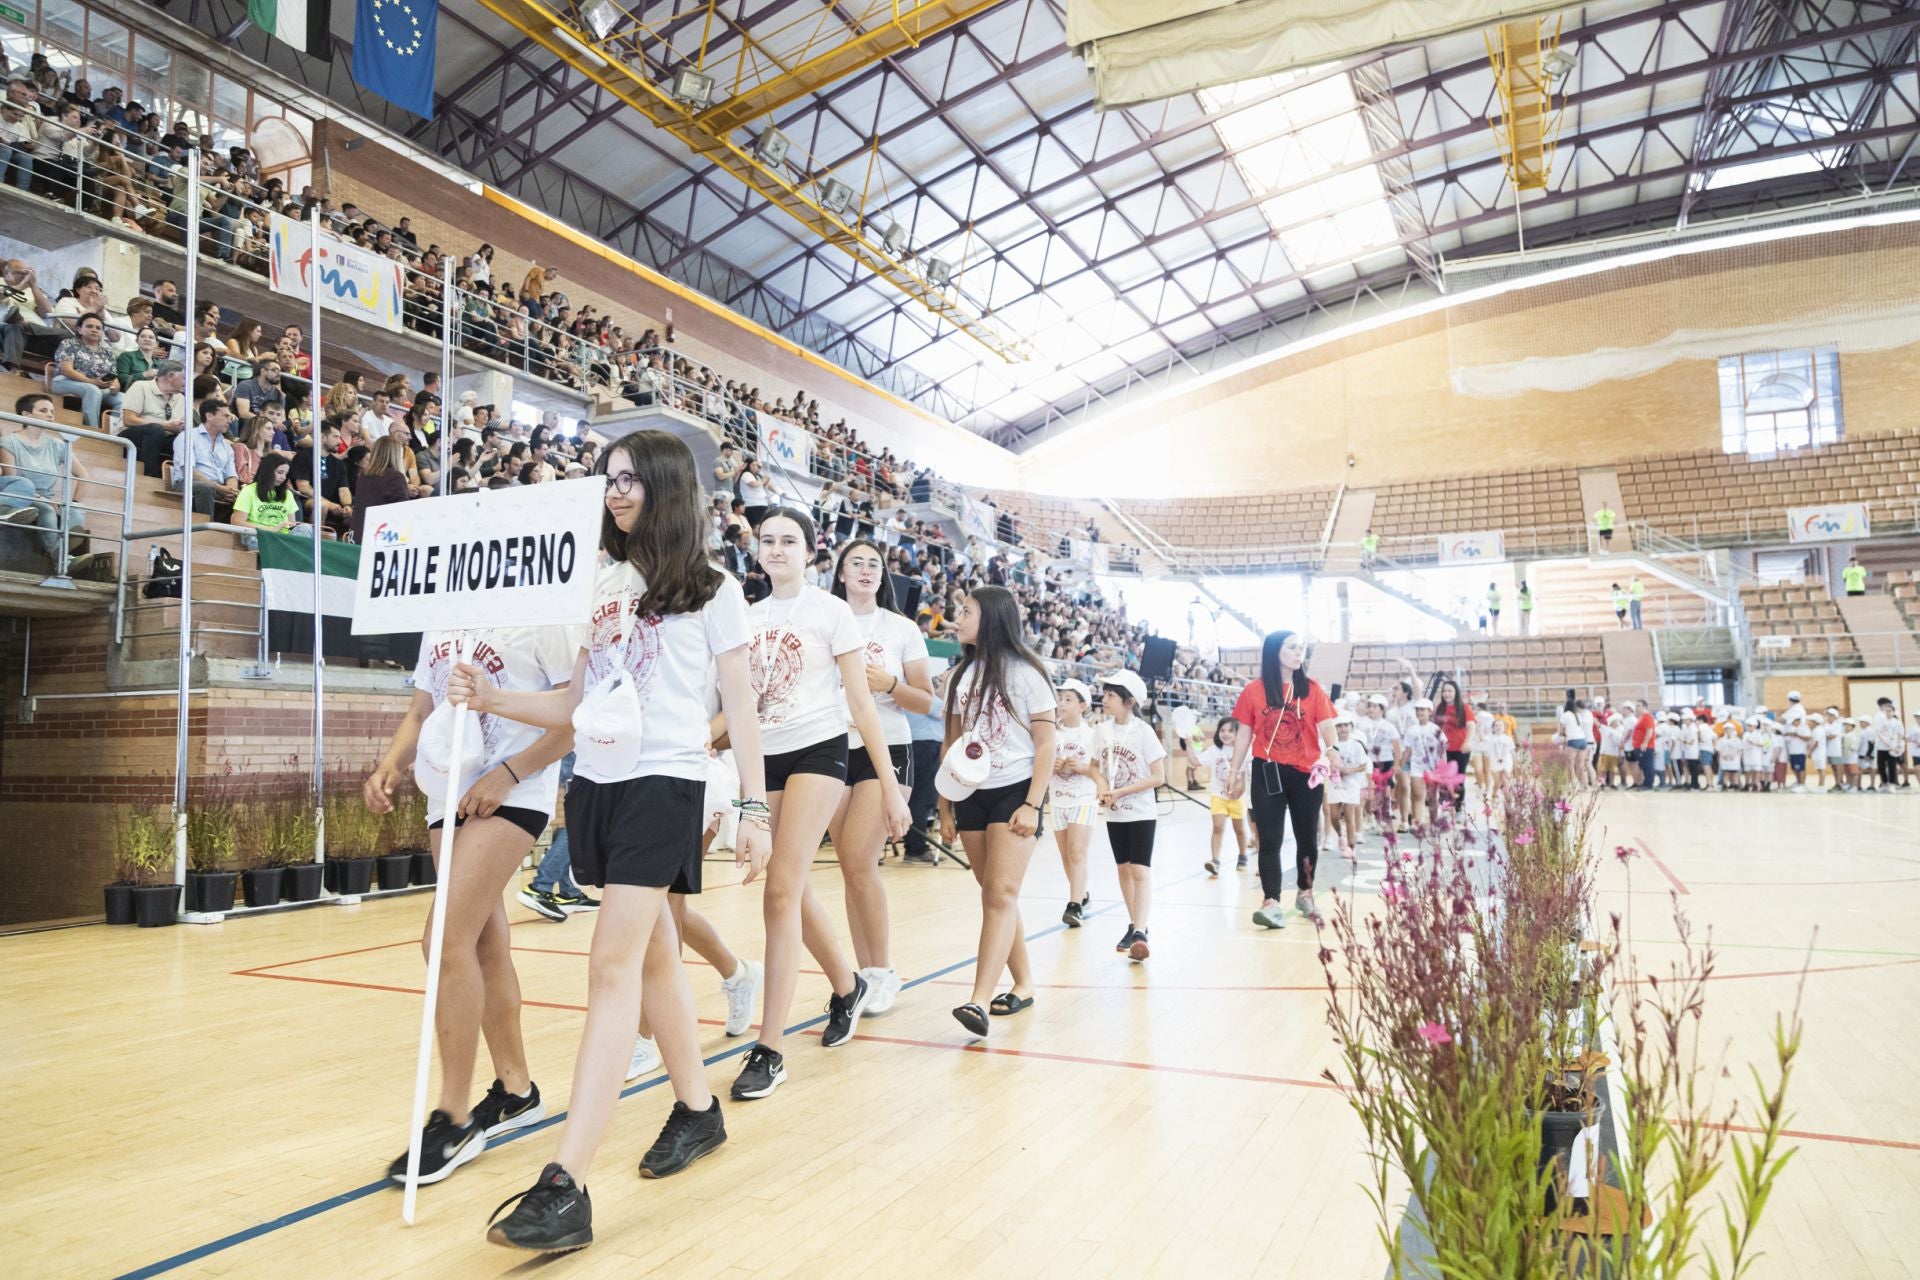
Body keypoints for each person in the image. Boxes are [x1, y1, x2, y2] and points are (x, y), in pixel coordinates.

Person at [470, 430, 772, 1254]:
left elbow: (741, 707)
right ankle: (701, 1110)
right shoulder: (602, 582)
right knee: (654, 959)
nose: (616, 490)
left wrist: (754, 808)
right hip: (596, 784)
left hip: (667, 783)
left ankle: (567, 1183)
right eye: (609, 479)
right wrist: (492, 694)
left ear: (669, 487)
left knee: (611, 966)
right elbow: (576, 700)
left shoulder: (714, 589)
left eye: (632, 479)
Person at [365, 623, 576, 1186]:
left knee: (443, 938)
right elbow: (420, 710)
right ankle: (517, 1090)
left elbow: (573, 717)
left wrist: (508, 775)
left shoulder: (547, 613)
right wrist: (392, 761)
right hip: (446, 791)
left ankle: (453, 1117)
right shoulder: (443, 612)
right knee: (483, 942)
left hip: (513, 790)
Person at [732, 507, 908, 1101]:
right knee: (791, 889)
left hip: (820, 751)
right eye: (767, 540)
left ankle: (771, 1047)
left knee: (780, 888)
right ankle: (846, 984)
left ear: (811, 552)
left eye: (788, 540)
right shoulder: (745, 615)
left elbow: (861, 705)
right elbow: (740, 705)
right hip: (764, 756)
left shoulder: (830, 612)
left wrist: (888, 785)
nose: (776, 548)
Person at [937, 584, 1056, 1038]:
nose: (958, 617)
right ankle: (1023, 982)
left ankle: (978, 999)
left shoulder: (1026, 674)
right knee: (995, 893)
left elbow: (1046, 744)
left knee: (1000, 894)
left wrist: (1032, 803)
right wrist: (945, 805)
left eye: (966, 611)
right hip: (970, 792)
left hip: (1015, 790)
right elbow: (952, 744)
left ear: (991, 617)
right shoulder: (959, 677)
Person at [826, 537, 934, 1015]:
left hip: (887, 746)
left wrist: (888, 684)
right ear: (841, 573)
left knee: (858, 859)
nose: (866, 570)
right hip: (829, 746)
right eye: (857, 563)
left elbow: (926, 700)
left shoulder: (900, 628)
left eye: (874, 564)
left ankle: (882, 970)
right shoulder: (824, 618)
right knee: (851, 869)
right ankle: (865, 971)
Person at [1224, 630, 1335, 928]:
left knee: (1306, 836)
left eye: (1300, 648)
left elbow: (1327, 727)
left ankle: (1305, 892)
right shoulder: (1254, 691)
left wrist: (1332, 749)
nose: (1299, 653)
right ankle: (1271, 900)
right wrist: (1234, 772)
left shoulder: (1312, 688)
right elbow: (1244, 734)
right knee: (1269, 838)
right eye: (1292, 648)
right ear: (1275, 652)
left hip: (1306, 773)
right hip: (1267, 770)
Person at [1095, 669, 1166, 962]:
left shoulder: (1143, 731)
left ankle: (1140, 930)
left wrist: (1121, 792)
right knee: (1123, 868)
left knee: (1140, 870)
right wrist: (1101, 785)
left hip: (1141, 811)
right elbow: (1092, 766)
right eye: (1105, 694)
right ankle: (1135, 923)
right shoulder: (1102, 730)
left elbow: (1158, 776)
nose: (1105, 699)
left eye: (1111, 695)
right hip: (1114, 813)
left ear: (1129, 701)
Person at [0, 392, 91, 562]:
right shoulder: (9, 442)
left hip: (46, 498)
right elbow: (14, 481)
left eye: (52, 412)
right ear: (26, 414)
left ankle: (61, 554)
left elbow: (83, 475)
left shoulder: (57, 444)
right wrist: (45, 500)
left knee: (75, 511)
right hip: (24, 497)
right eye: (43, 410)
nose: (50, 415)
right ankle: (62, 558)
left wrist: (74, 503)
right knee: (47, 509)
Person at [1048, 679, 1099, 914]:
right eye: (1060, 698)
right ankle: (1082, 893)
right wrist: (1052, 765)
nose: (1062, 703)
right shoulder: (1050, 733)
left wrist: (1081, 767)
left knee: (1077, 851)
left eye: (1068, 699)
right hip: (1058, 800)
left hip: (1083, 798)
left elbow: (1100, 771)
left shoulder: (1092, 735)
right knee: (1066, 855)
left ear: (1083, 705)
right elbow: (1038, 764)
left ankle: (1074, 905)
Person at [50, 312, 121, 427]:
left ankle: (113, 432)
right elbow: (66, 370)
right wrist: (92, 382)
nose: (94, 330)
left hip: (98, 387)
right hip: (64, 381)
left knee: (123, 399)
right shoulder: (69, 343)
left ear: (102, 332)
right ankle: (93, 431)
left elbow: (115, 379)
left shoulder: (108, 353)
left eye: (98, 328)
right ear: (79, 329)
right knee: (92, 390)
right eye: (89, 326)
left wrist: (114, 388)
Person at [170, 397, 238, 515]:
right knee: (205, 488)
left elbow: (231, 475)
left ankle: (229, 532)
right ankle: (205, 531)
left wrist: (231, 490)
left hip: (217, 488)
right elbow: (189, 471)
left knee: (245, 496)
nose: (230, 420)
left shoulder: (226, 446)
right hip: (188, 484)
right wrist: (218, 488)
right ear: (209, 416)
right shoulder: (188, 436)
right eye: (225, 416)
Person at [1200, 715, 1249, 875]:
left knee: (1239, 829)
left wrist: (1240, 789)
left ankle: (1243, 856)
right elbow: (1195, 761)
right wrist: (1186, 741)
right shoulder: (1214, 751)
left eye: (1230, 730)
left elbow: (1245, 774)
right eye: (1222, 730)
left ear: (1237, 733)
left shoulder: (1242, 750)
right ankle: (1215, 861)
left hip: (1237, 797)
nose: (1226, 733)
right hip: (1218, 795)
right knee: (1218, 827)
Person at [230, 452, 311, 548]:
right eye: (280, 472)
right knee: (253, 538)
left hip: (283, 538)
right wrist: (272, 529)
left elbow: (291, 525)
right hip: (259, 536)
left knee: (306, 528)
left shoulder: (288, 494)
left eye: (286, 474)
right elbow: (238, 521)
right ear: (267, 471)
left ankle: (285, 552)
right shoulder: (248, 491)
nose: (284, 477)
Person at [350, 437, 414, 543]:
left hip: (358, 534)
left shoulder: (364, 474)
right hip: (381, 538)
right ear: (396, 455)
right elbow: (402, 512)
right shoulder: (395, 477)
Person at [1324, 713, 1368, 854]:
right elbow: (1325, 763)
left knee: (1349, 815)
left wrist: (1349, 770)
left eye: (1346, 725)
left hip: (1351, 783)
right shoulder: (1332, 747)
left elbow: (1363, 765)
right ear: (1335, 728)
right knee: (1334, 816)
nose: (1343, 729)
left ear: (1351, 727)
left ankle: (1350, 847)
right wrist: (1333, 769)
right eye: (1339, 726)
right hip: (1335, 783)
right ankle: (1340, 835)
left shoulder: (1356, 745)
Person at [1430, 678, 1473, 810]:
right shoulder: (1439, 708)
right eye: (1444, 691)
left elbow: (1471, 725)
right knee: (1443, 779)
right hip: (1443, 750)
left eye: (1450, 691)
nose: (1447, 693)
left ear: (1456, 692)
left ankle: (1458, 807)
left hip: (1460, 749)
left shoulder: (1464, 707)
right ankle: (1445, 806)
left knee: (1458, 779)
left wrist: (1467, 742)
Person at [1558, 693, 1596, 790]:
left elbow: (1560, 731)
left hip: (1573, 740)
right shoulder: (1578, 715)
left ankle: (1573, 785)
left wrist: (1565, 735)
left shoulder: (1565, 715)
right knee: (1581, 765)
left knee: (1570, 765)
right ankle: (1585, 785)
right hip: (1583, 740)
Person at [1871, 697, 1907, 789]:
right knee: (1881, 766)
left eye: (1890, 711)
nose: (1888, 712)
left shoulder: (1897, 722)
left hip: (1893, 747)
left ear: (1893, 712)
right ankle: (1884, 783)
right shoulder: (1880, 720)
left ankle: (1892, 783)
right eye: (1886, 711)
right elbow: (1878, 733)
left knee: (1892, 766)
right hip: (1882, 746)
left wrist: (1898, 745)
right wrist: (1886, 743)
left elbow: (1900, 734)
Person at [736, 456, 772, 531]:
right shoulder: (746, 474)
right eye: (753, 465)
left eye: (757, 465)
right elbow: (753, 484)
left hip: (762, 504)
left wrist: (779, 492)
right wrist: (763, 481)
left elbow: (767, 485)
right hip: (753, 505)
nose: (756, 467)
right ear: (748, 466)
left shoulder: (757, 476)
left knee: (762, 526)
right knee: (756, 527)